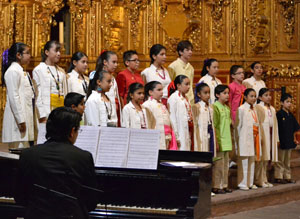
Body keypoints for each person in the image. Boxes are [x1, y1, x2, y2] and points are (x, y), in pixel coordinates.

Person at [14, 107, 98, 219]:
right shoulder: (83, 157)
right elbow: (91, 202)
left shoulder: (27, 154)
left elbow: (20, 197)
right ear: (72, 132)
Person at [1, 42, 37, 148]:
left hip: (25, 119)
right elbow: (14, 97)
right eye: (27, 53)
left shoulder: (21, 71)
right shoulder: (13, 71)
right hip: (18, 123)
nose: (30, 55)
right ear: (18, 55)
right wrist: (21, 120)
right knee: (18, 154)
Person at [33, 40, 68, 123]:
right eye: (56, 51)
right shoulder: (39, 70)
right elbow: (38, 94)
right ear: (47, 52)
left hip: (61, 110)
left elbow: (65, 92)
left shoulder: (61, 71)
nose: (59, 54)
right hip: (47, 110)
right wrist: (42, 115)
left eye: (60, 51)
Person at [235, 88, 260, 191]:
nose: (253, 98)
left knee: (251, 161)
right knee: (244, 162)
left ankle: (250, 182)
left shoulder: (254, 109)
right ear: (245, 97)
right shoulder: (241, 109)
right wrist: (238, 141)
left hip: (253, 137)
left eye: (255, 96)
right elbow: (238, 126)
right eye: (251, 96)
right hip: (244, 138)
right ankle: (242, 182)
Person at [255, 88, 279, 188]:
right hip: (262, 135)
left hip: (270, 134)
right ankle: (259, 180)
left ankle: (265, 179)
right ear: (260, 97)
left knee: (267, 158)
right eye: (266, 95)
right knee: (262, 158)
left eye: (269, 95)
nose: (269, 97)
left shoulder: (272, 109)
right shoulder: (258, 108)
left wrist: (276, 138)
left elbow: (275, 124)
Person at [143, 81, 176, 150]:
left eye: (162, 89)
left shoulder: (161, 104)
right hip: (156, 136)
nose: (162, 92)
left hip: (167, 136)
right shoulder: (147, 105)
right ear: (150, 92)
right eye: (159, 90)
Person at [274, 93, 300, 184]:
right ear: (281, 103)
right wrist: (277, 140)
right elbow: (276, 128)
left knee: (287, 160)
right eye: (287, 102)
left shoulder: (291, 115)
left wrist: (295, 139)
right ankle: (279, 176)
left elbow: (295, 128)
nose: (289, 104)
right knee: (280, 160)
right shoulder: (279, 114)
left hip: (289, 140)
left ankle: (287, 176)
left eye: (290, 102)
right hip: (282, 140)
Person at [212, 85, 232, 194]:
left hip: (227, 140)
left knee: (225, 165)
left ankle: (224, 185)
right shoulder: (215, 107)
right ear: (217, 95)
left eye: (228, 93)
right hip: (220, 140)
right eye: (224, 93)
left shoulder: (227, 107)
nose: (227, 95)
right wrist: (216, 141)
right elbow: (214, 126)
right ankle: (216, 186)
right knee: (218, 165)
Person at [93, 50, 121, 125]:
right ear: (105, 62)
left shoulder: (113, 78)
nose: (116, 65)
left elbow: (115, 97)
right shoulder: (97, 76)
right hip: (102, 113)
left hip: (113, 114)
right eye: (113, 62)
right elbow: (97, 93)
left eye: (117, 62)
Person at [168, 75, 193, 151]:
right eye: (186, 84)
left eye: (189, 84)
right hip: (179, 132)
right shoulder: (173, 98)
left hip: (187, 131)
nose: (188, 87)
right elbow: (172, 118)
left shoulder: (186, 98)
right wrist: (175, 136)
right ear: (178, 85)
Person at [192, 82, 216, 155]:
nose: (208, 95)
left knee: (210, 151)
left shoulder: (211, 107)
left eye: (209, 92)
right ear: (199, 94)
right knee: (202, 150)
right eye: (205, 93)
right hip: (201, 132)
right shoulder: (196, 106)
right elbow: (194, 124)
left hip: (210, 132)